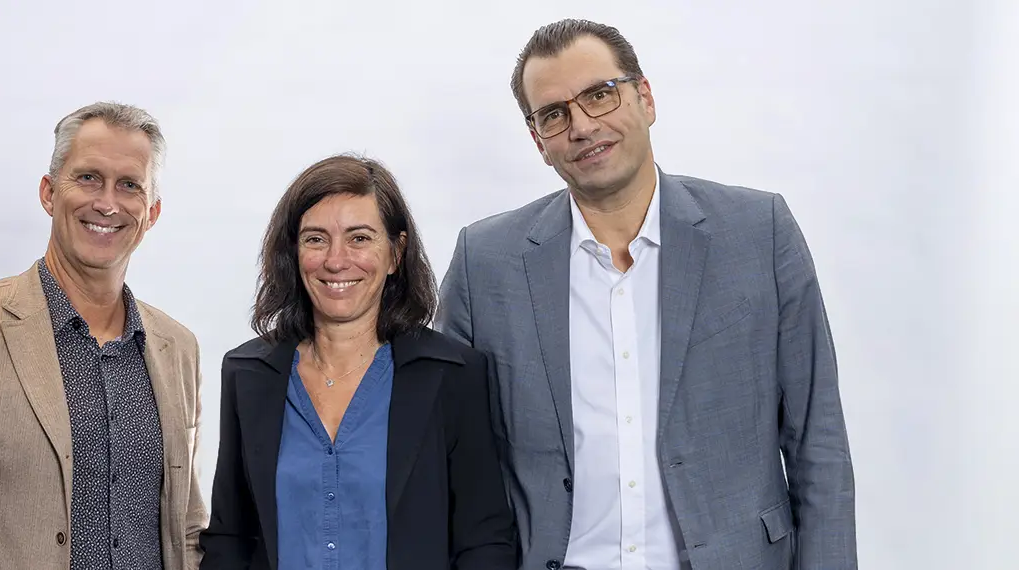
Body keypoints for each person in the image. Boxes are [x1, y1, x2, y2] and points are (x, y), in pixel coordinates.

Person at [434, 19, 857, 570]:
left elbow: (817, 442)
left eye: (600, 95)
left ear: (645, 98)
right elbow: (452, 459)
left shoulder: (759, 232)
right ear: (538, 141)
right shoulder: (485, 262)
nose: (582, 126)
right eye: (554, 114)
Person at [0, 102, 207, 570]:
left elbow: (188, 529)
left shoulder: (179, 348)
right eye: (88, 178)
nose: (107, 203)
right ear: (49, 193)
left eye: (129, 185)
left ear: (151, 212)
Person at [199, 154, 518, 570]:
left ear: (395, 253)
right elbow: (230, 537)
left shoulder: (452, 374)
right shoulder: (247, 373)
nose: (336, 260)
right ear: (293, 252)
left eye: (359, 238)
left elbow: (485, 541)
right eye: (316, 239)